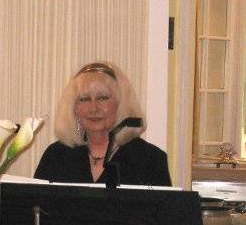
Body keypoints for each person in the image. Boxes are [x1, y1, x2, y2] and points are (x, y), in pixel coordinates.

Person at [34, 62, 172, 186]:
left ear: (120, 104)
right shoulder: (56, 156)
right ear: (74, 109)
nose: (93, 108)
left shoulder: (149, 159)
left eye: (102, 98)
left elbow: (166, 213)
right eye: (84, 99)